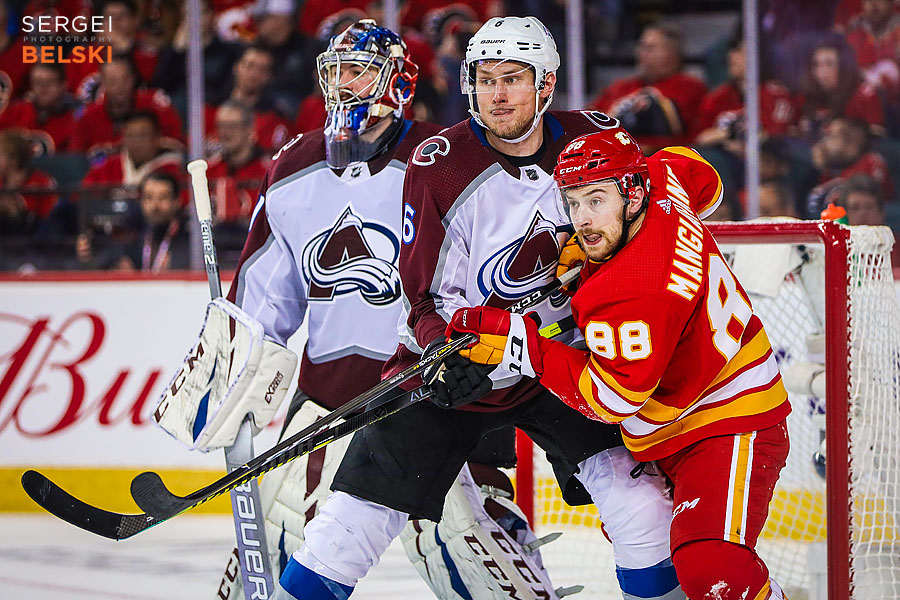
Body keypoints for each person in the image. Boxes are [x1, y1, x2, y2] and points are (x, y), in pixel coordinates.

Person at [277, 16, 684, 600]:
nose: (497, 94)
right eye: (484, 78)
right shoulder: (440, 164)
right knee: (346, 529)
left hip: (561, 360)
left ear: (545, 85)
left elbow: (645, 228)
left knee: (642, 509)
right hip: (456, 364)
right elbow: (420, 295)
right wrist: (443, 351)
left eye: (513, 79)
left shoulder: (596, 142)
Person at [446, 126, 792, 600]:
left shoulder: (630, 291)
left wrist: (518, 346)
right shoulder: (662, 180)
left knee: (712, 565)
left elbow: (611, 399)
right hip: (680, 416)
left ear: (631, 194)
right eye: (573, 203)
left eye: (595, 200)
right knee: (652, 541)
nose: (582, 220)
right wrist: (602, 256)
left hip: (727, 421)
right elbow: (701, 173)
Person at [199, 20, 451, 600]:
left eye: (359, 70)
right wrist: (231, 359)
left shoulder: (442, 157)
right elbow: (266, 297)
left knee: (466, 542)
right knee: (275, 529)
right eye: (335, 71)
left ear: (398, 83)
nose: (344, 84)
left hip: (433, 392)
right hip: (329, 395)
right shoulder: (295, 165)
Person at [589, 22, 707, 153]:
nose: (641, 53)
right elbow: (588, 121)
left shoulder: (690, 86)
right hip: (613, 156)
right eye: (641, 46)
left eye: (650, 48)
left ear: (672, 53)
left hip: (664, 159)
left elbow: (670, 125)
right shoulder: (621, 87)